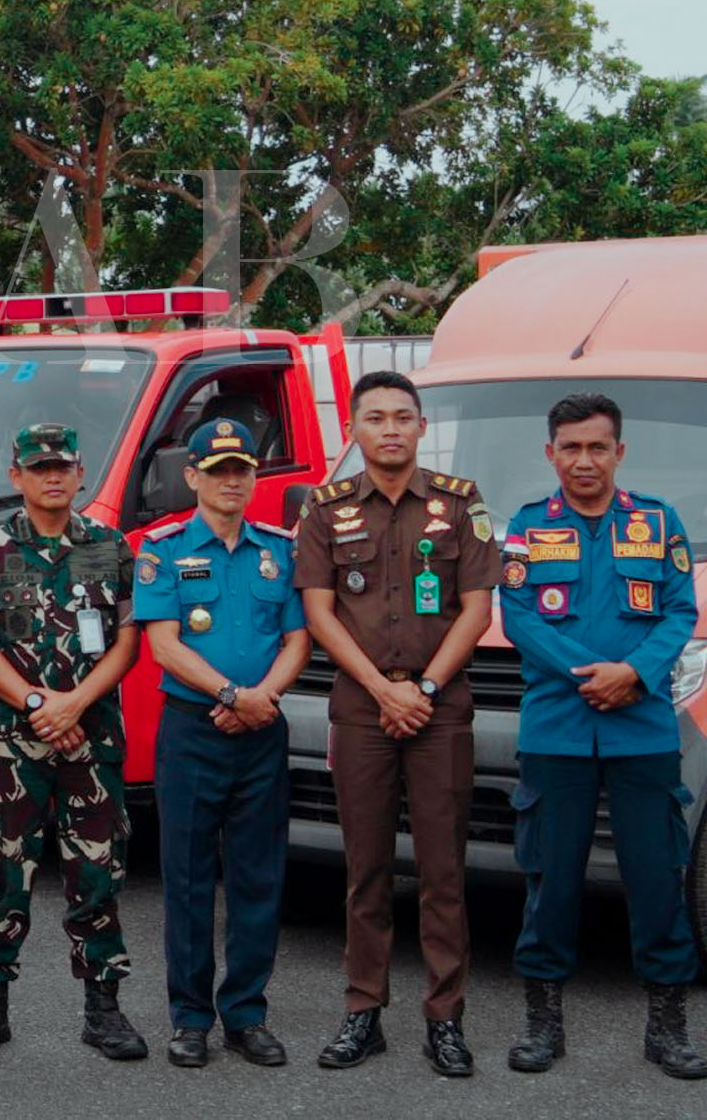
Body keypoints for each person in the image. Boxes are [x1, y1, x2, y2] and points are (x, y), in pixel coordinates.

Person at [497, 392, 706, 1079]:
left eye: (597, 447)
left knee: (657, 880)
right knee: (550, 880)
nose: (583, 460)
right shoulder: (529, 529)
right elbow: (521, 615)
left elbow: (679, 611)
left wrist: (634, 674)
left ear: (619, 452)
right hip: (558, 730)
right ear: (550, 453)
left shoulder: (656, 520)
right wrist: (590, 673)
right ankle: (542, 1023)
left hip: (643, 729)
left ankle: (667, 1026)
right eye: (571, 447)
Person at [296, 370, 496, 1077]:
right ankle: (362, 1013)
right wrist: (384, 689)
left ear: (420, 428)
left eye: (402, 417)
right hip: (361, 710)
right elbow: (320, 611)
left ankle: (446, 1019)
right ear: (353, 428)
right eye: (374, 417)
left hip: (440, 714)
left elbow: (475, 607)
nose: (389, 429)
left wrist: (428, 686)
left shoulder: (460, 504)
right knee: (366, 869)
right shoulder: (326, 508)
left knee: (443, 873)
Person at [0, 423, 147, 1062]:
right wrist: (36, 703)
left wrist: (74, 704)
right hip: (12, 742)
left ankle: (104, 1010)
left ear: (81, 473)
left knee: (98, 875)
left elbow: (127, 641)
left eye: (62, 466)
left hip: (90, 739)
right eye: (38, 468)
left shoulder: (110, 546)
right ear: (17, 477)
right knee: (3, 872)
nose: (51, 477)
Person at [132, 419, 308, 1069]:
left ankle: (246, 1014)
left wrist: (263, 700)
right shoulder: (165, 550)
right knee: (186, 878)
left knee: (259, 877)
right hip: (195, 732)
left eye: (243, 470)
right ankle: (189, 1018)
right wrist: (235, 696)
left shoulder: (279, 550)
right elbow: (164, 645)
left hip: (262, 731)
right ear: (193, 477)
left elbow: (297, 639)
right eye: (219, 470)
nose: (233, 480)